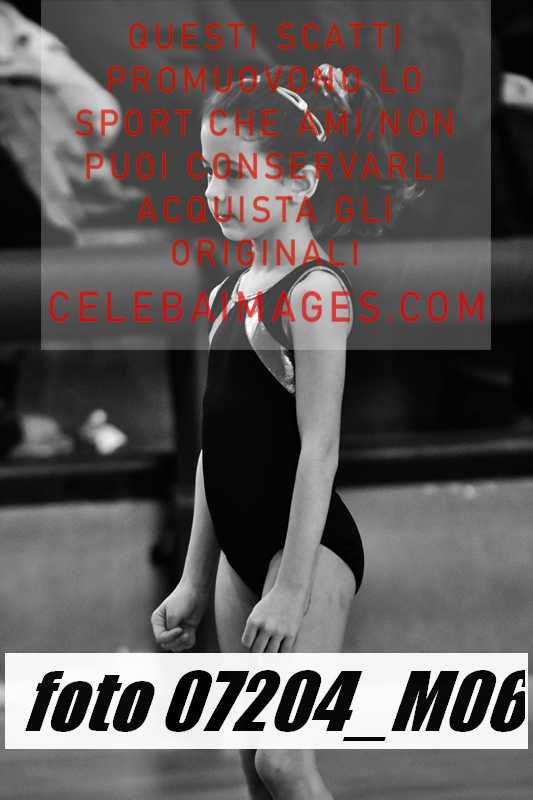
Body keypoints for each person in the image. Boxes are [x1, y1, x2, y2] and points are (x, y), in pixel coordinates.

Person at [152, 64, 418, 799]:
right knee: (251, 765)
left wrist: (292, 589)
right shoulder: (224, 296)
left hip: (306, 550)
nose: (216, 191)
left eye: (236, 174)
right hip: (239, 554)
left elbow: (319, 449)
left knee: (284, 762)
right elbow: (213, 448)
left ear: (300, 182)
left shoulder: (314, 292)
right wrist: (194, 577)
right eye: (210, 172)